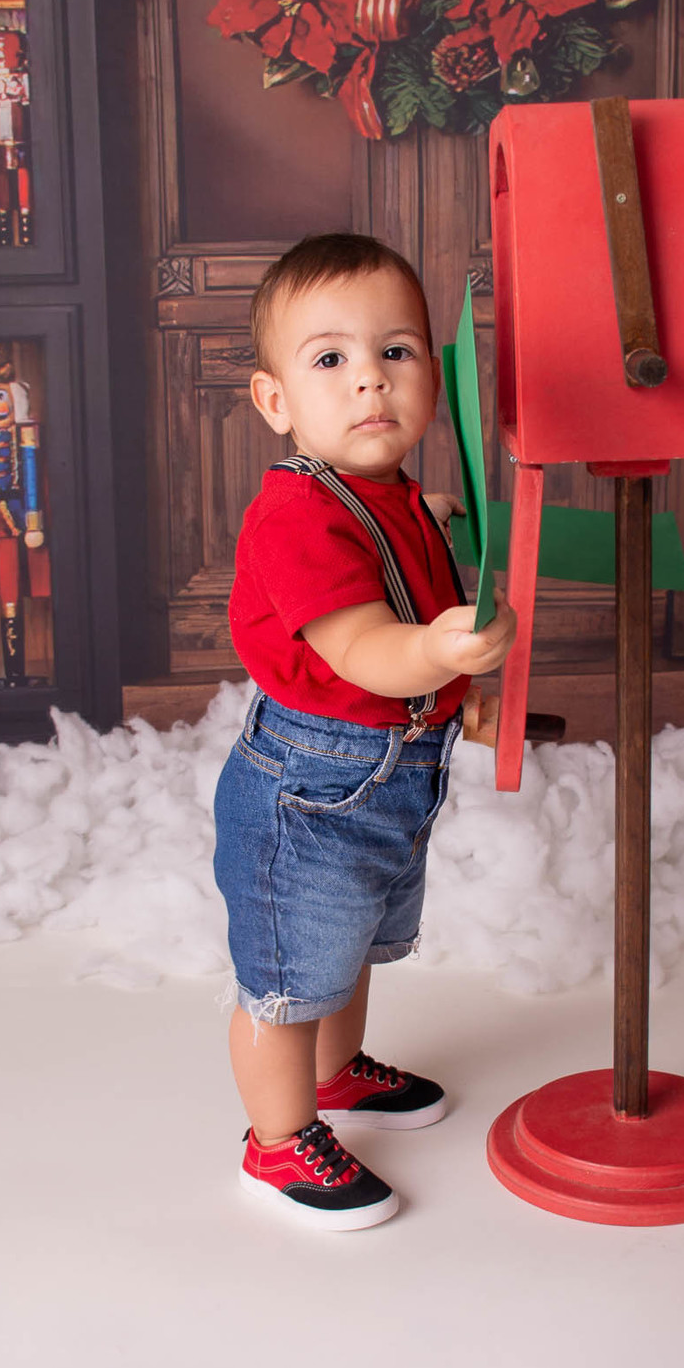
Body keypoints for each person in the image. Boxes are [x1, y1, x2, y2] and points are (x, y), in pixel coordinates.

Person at [215, 232, 517, 1230]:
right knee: (289, 980)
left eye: (396, 351)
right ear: (276, 401)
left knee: (345, 953)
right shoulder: (297, 516)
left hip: (388, 777)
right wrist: (437, 653)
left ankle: (335, 1075)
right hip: (311, 788)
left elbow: (408, 607)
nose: (370, 380)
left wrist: (457, 699)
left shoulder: (398, 500)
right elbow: (361, 650)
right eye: (330, 359)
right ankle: (275, 1142)